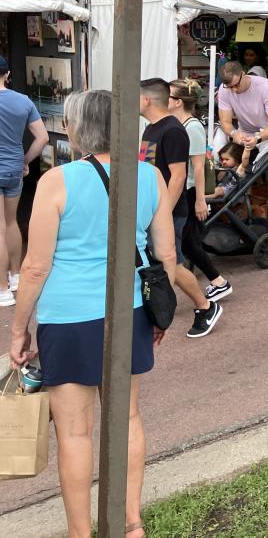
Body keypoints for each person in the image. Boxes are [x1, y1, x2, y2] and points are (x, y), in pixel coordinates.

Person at [8, 89, 176, 538]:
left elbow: (36, 265)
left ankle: (82, 533)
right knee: (127, 419)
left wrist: (18, 330)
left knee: (76, 432)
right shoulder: (150, 177)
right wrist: (161, 316)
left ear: (79, 129)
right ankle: (131, 523)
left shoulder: (57, 181)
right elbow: (166, 255)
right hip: (132, 309)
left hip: (68, 318)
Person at [140, 79, 223, 338]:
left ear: (147, 100)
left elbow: (178, 176)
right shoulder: (150, 128)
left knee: (170, 262)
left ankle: (206, 305)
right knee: (162, 261)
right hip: (153, 208)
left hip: (169, 211)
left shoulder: (173, 130)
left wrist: (162, 210)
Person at [168, 79, 231, 303]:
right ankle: (218, 282)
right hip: (187, 190)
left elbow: (198, 167)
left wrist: (200, 200)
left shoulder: (192, 127)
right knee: (188, 242)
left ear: (177, 102)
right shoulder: (179, 124)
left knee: (187, 242)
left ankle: (218, 282)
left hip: (192, 191)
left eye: (169, 95)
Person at [216, 61, 268, 242]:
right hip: (245, 136)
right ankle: (245, 226)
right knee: (244, 181)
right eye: (229, 87)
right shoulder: (225, 90)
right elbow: (225, 121)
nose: (234, 90)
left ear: (243, 74)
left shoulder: (265, 86)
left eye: (236, 85)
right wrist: (234, 133)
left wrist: (259, 138)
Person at [0, 54, 49, 306]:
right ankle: (16, 276)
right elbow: (42, 137)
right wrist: (24, 162)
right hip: (13, 169)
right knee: (11, 222)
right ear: (7, 74)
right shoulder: (23, 101)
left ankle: (2, 290)